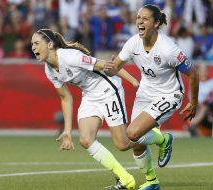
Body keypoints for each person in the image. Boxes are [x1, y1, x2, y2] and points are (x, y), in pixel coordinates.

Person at [31, 28, 140, 190]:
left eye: (36, 43)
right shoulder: (49, 70)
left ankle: (157, 137)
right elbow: (65, 97)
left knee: (123, 144)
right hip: (90, 96)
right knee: (85, 140)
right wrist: (67, 131)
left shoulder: (70, 57)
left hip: (108, 90)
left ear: (50, 45)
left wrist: (133, 81)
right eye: (32, 44)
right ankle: (126, 180)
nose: (33, 47)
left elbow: (106, 65)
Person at [107, 4, 199, 190]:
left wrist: (194, 102)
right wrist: (95, 66)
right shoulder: (133, 42)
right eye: (138, 18)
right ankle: (152, 182)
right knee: (135, 143)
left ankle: (164, 140)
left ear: (157, 23)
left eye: (145, 18)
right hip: (145, 92)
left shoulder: (169, 49)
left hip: (169, 95)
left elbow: (193, 73)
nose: (139, 21)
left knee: (132, 133)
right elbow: (115, 67)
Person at [188, 63, 213, 137]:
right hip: (197, 106)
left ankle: (191, 125)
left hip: (209, 106)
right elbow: (191, 96)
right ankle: (195, 129)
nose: (203, 72)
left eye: (205, 70)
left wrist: (201, 103)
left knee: (204, 108)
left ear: (207, 71)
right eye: (201, 70)